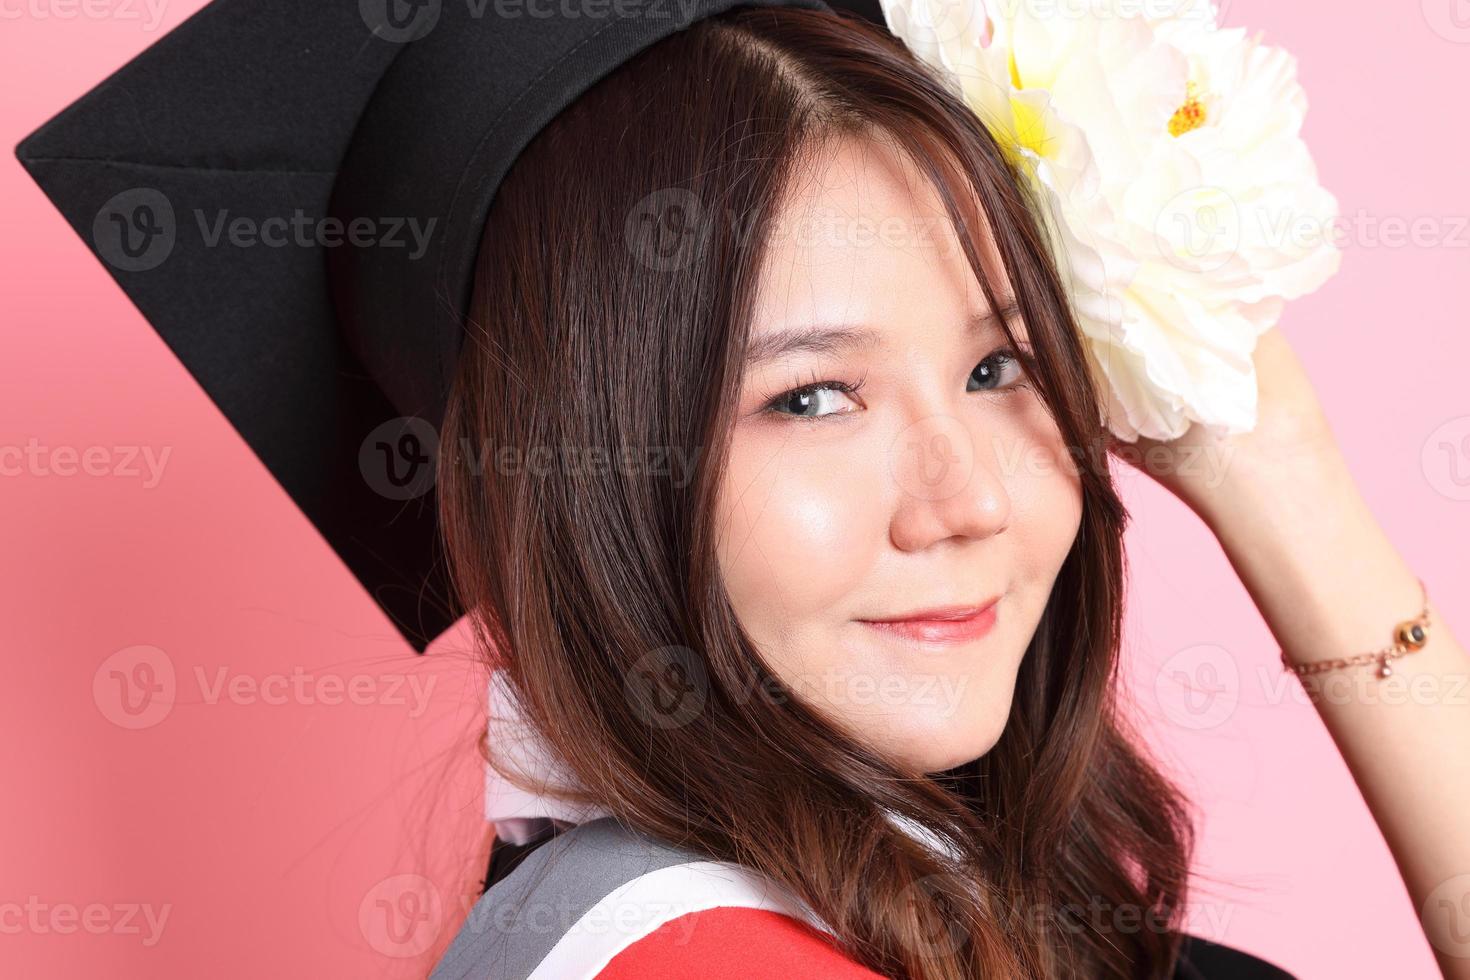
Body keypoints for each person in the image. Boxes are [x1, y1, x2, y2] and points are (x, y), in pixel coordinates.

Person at [16, 0, 1466, 977]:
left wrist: (1280, 477)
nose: (960, 501)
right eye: (809, 398)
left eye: (998, 367)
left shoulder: (922, 898)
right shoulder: (686, 953)